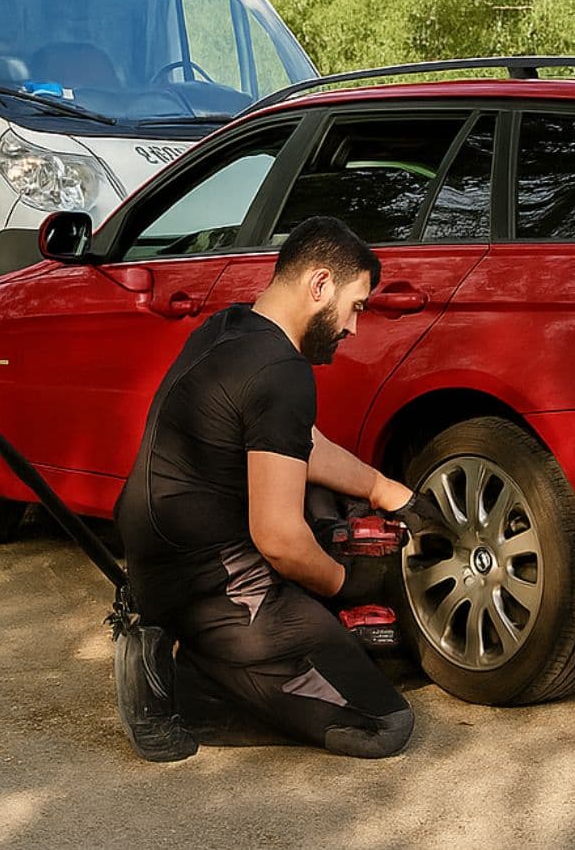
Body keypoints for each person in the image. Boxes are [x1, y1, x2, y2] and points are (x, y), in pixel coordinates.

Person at [112, 215, 451, 760]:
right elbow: (277, 537)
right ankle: (171, 686)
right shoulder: (282, 371)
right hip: (217, 589)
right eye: (356, 305)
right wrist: (349, 583)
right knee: (382, 722)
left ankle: (187, 639)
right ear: (320, 285)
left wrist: (389, 491)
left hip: (159, 558)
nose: (354, 327)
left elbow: (298, 445)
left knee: (329, 504)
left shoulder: (231, 326)